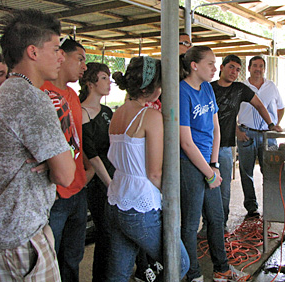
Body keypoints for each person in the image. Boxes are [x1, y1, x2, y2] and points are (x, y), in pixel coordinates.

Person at [0, 9, 75, 281]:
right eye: (55, 48)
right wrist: (55, 162)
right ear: (32, 52)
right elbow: (66, 174)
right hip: (22, 238)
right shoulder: (31, 99)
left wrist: (48, 161)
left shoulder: (6, 92)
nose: (60, 56)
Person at [106, 56, 190, 282]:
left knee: (119, 273)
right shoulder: (150, 116)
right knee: (179, 263)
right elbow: (154, 173)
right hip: (140, 204)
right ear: (152, 88)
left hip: (116, 199)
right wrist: (175, 195)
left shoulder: (118, 113)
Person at [179, 46, 250, 282]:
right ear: (194, 66)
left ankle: (222, 269)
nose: (213, 68)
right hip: (189, 163)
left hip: (209, 161)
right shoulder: (182, 92)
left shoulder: (208, 89)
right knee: (190, 224)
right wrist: (208, 172)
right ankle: (193, 274)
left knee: (216, 217)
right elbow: (186, 142)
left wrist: (214, 163)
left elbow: (215, 126)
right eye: (210, 63)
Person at [205, 54, 282, 229]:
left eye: (237, 69)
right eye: (231, 67)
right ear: (222, 67)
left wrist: (271, 124)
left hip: (224, 146)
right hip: (203, 145)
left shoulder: (240, 89)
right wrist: (238, 129)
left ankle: (221, 226)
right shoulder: (207, 88)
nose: (234, 72)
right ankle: (206, 225)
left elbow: (260, 105)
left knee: (223, 188)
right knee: (204, 187)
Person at [41, 37, 94, 282]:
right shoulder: (40, 92)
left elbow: (77, 142)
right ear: (60, 56)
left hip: (77, 189)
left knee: (73, 256)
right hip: (54, 193)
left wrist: (86, 172)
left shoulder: (72, 95)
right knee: (48, 257)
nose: (84, 66)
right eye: (80, 59)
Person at [79, 62, 115, 282]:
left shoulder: (107, 111)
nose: (108, 82)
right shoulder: (82, 113)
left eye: (109, 77)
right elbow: (92, 155)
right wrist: (109, 183)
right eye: (103, 77)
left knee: (113, 233)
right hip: (98, 180)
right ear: (90, 83)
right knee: (105, 232)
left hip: (113, 174)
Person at [236, 55, 285, 218]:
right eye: (255, 66)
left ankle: (272, 204)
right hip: (246, 134)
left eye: (261, 66)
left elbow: (280, 107)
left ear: (264, 69)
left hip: (268, 136)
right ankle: (251, 207)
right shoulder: (240, 87)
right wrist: (237, 130)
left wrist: (274, 123)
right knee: (246, 171)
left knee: (271, 170)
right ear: (248, 68)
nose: (258, 69)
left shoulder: (271, 86)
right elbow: (230, 111)